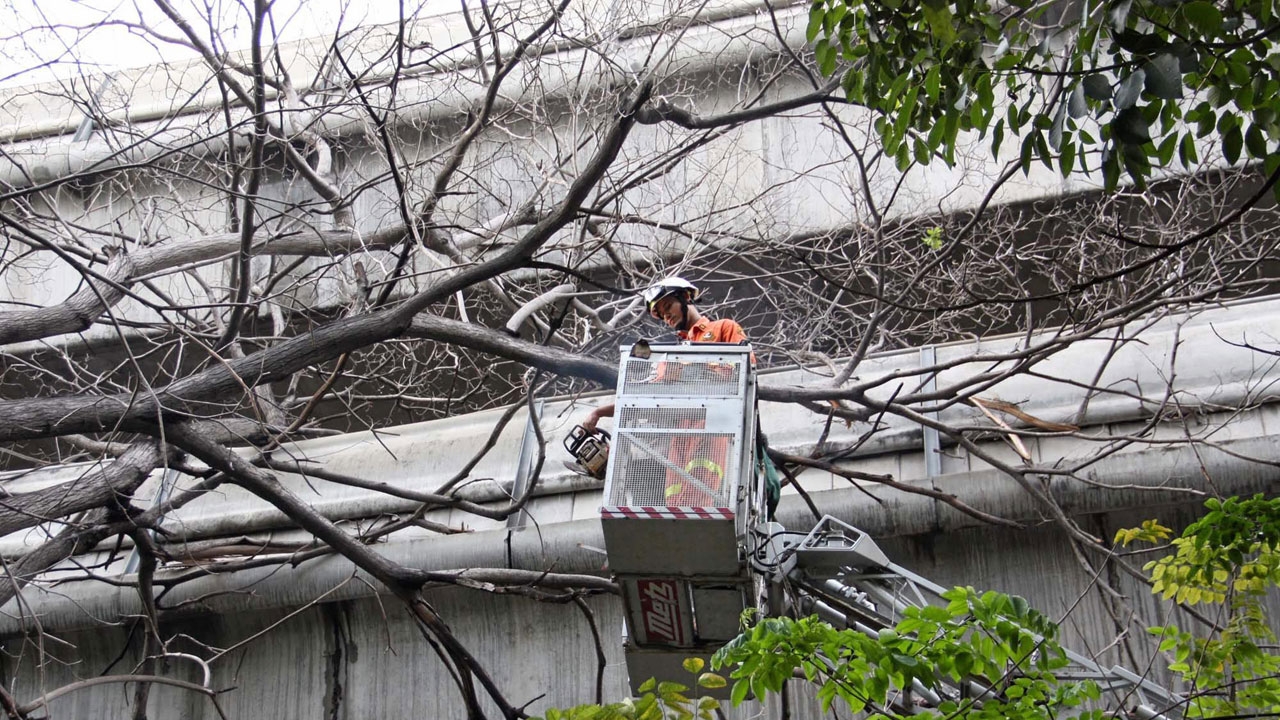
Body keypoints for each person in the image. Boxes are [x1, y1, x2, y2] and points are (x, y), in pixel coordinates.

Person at [582, 276, 748, 506]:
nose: (666, 316)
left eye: (668, 306)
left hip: (712, 432)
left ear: (686, 298)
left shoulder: (723, 329)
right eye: (661, 313)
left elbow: (746, 378)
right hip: (679, 440)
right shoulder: (669, 357)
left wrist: (697, 374)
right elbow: (644, 399)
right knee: (676, 498)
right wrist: (599, 412)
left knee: (703, 493)